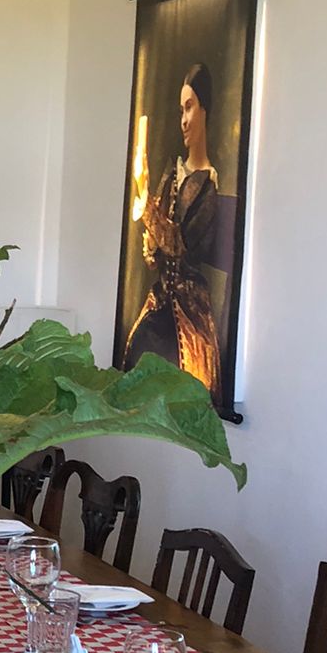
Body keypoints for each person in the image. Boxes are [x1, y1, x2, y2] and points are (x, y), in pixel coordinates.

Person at [124, 62, 222, 402]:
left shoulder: (207, 184)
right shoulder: (173, 174)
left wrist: (145, 202)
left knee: (179, 381)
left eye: (190, 107)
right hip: (160, 301)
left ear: (205, 110)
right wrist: (150, 244)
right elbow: (155, 252)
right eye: (181, 109)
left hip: (188, 310)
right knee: (137, 351)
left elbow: (181, 245)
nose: (183, 119)